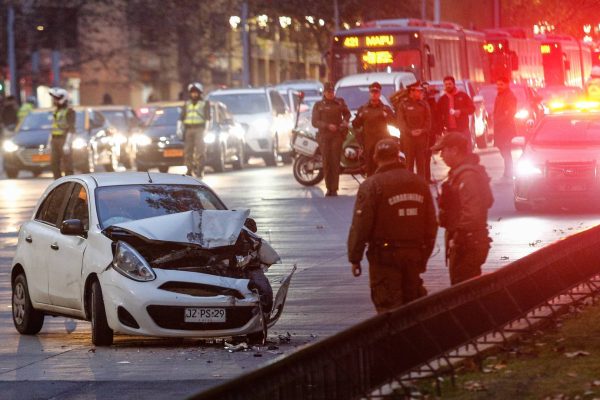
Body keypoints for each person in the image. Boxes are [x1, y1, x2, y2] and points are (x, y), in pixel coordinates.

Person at [348, 138, 438, 313]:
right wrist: (423, 256)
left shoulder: (371, 186)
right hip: (414, 255)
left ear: (375, 158)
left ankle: (396, 341)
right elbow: (431, 225)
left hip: (384, 258)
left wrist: (355, 257)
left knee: (389, 310)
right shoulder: (419, 183)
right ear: (398, 156)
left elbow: (361, 226)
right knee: (413, 308)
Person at [432, 132, 494, 285]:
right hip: (467, 242)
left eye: (443, 151)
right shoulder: (461, 174)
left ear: (454, 150)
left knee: (464, 287)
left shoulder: (467, 176)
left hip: (467, 244)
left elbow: (472, 213)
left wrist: (458, 239)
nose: (441, 156)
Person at [311, 82, 351, 196]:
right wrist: (327, 126)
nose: (331, 94)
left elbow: (347, 114)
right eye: (328, 92)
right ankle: (329, 188)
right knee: (326, 161)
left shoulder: (339, 102)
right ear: (324, 93)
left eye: (332, 92)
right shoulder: (319, 105)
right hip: (324, 136)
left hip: (337, 135)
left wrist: (345, 121)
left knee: (335, 161)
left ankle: (335, 188)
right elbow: (315, 122)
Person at [352, 82, 395, 176]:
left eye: (376, 92)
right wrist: (359, 117)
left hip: (383, 143)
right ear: (369, 93)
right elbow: (355, 125)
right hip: (369, 144)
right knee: (370, 169)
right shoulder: (363, 109)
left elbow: (394, 123)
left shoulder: (385, 109)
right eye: (372, 92)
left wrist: (387, 116)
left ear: (379, 94)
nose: (374, 94)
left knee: (384, 168)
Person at [396, 81, 431, 177]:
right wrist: (410, 132)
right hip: (408, 139)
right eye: (418, 91)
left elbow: (428, 121)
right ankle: (409, 185)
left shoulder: (424, 104)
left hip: (421, 139)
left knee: (421, 164)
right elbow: (401, 122)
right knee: (409, 164)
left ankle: (421, 184)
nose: (420, 93)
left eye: (421, 91)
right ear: (411, 92)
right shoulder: (403, 105)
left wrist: (422, 130)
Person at [179, 82, 210, 177]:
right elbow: (182, 117)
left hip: (200, 129)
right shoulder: (187, 103)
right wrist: (179, 128)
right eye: (192, 92)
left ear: (200, 93)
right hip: (189, 129)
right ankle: (189, 169)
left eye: (196, 92)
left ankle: (200, 169)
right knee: (188, 151)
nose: (194, 94)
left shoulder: (204, 103)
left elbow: (208, 118)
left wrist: (206, 130)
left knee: (200, 151)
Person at [437, 76, 475, 147]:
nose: (448, 86)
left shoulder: (463, 96)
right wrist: (442, 129)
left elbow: (472, 109)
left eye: (449, 84)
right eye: (446, 84)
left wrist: (460, 111)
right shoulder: (442, 99)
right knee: (453, 152)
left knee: (466, 150)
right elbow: (438, 115)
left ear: (454, 84)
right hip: (450, 131)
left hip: (463, 129)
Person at [49, 87, 76, 179]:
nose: (54, 101)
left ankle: (69, 184)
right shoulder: (56, 111)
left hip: (64, 139)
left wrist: (67, 144)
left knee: (68, 165)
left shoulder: (69, 111)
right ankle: (58, 184)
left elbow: (71, 128)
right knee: (54, 164)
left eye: (56, 98)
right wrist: (49, 142)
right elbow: (53, 127)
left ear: (63, 98)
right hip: (55, 140)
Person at [493, 76, 517, 178]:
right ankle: (509, 170)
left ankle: (509, 171)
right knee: (502, 148)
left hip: (506, 128)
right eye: (497, 84)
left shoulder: (510, 96)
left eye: (501, 84)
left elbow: (510, 112)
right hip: (499, 128)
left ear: (507, 85)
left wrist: (499, 120)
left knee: (506, 150)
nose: (499, 86)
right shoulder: (499, 95)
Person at [421, 82, 441, 183]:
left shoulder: (432, 101)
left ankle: (427, 177)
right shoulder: (419, 102)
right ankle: (423, 178)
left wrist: (437, 131)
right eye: (423, 89)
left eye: (426, 89)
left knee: (428, 155)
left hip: (431, 132)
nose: (425, 92)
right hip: (422, 133)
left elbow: (436, 116)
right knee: (422, 156)